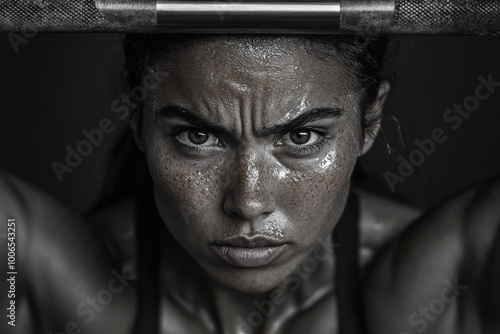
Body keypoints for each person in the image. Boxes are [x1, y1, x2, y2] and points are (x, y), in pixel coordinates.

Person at [1, 33, 499, 334]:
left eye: (301, 136)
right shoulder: (44, 280)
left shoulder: (451, 287)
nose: (249, 202)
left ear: (369, 123)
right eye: (197, 136)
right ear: (140, 124)